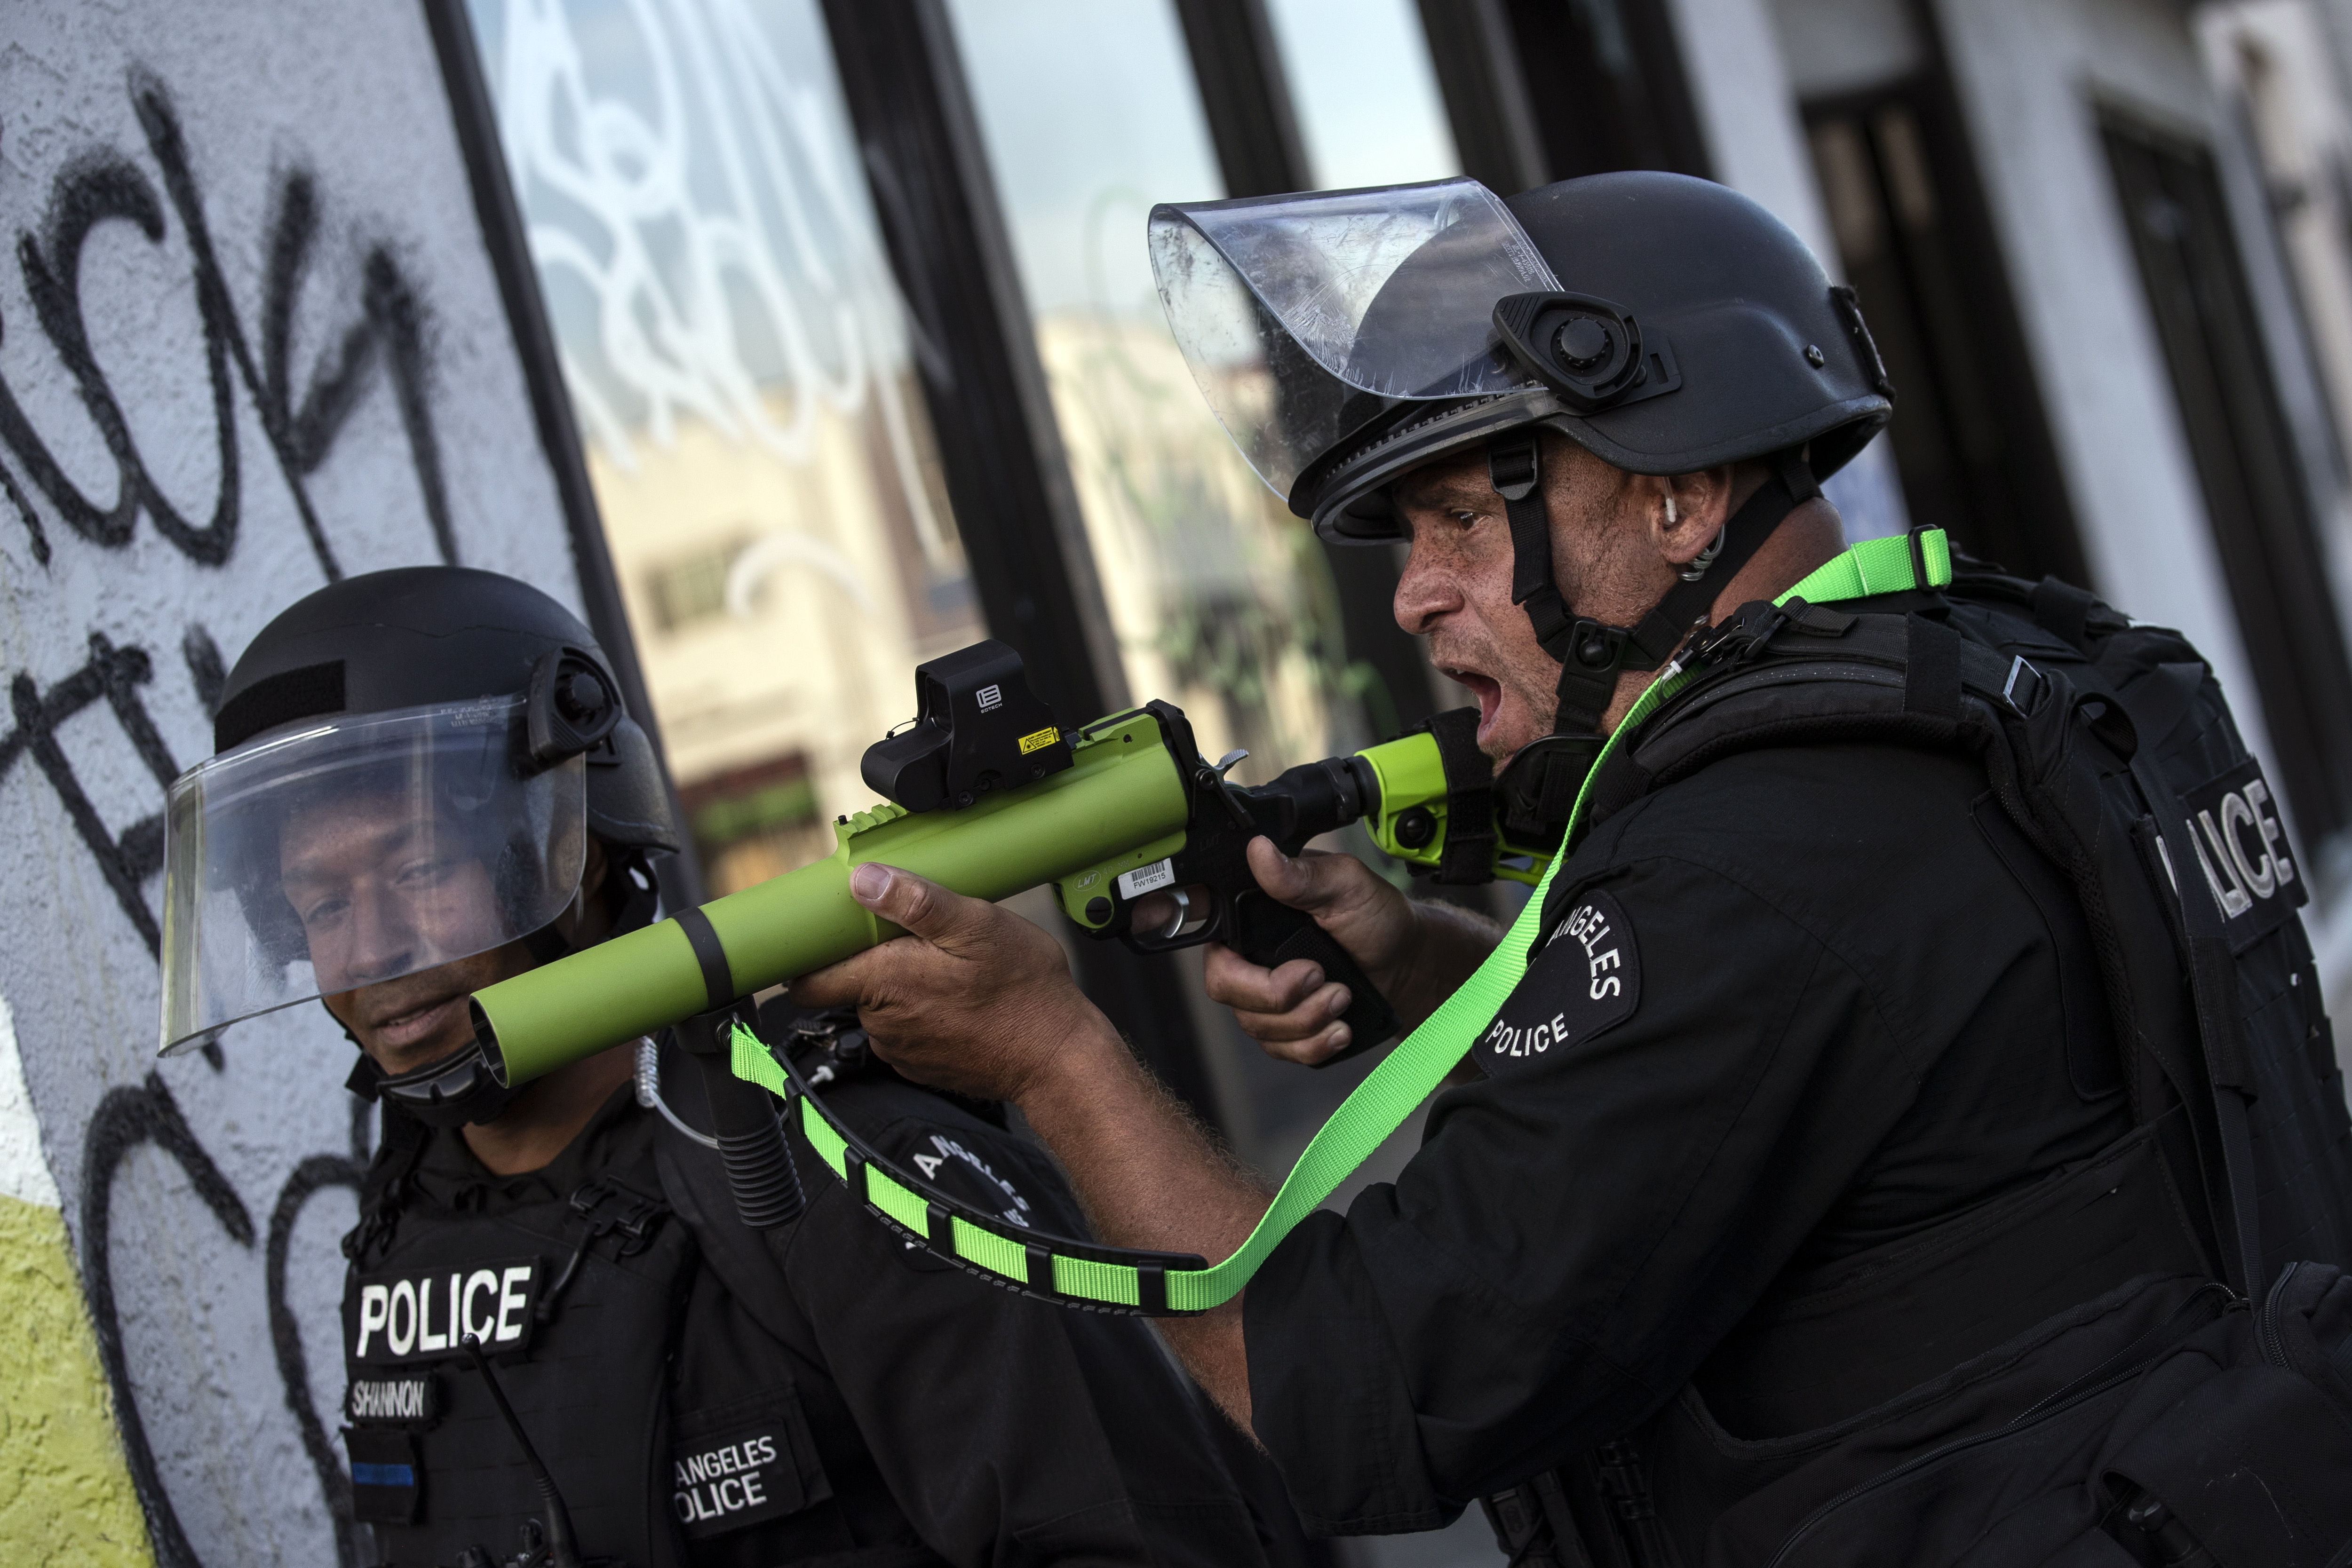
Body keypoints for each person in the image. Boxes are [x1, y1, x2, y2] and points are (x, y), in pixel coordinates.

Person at [785, 172, 2352, 1563]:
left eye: (1459, 519)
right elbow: (1814, 1085)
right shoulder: (1996, 676)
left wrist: (1053, 1055)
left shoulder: (1751, 860)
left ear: (1676, 497)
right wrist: (1433, 966)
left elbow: (1356, 1392)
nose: (1415, 598)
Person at [159, 567, 1279, 1568]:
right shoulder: (413, 1207)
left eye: (414, 869)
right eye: (321, 901)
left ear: (577, 853)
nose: (369, 952)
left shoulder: (839, 1162)